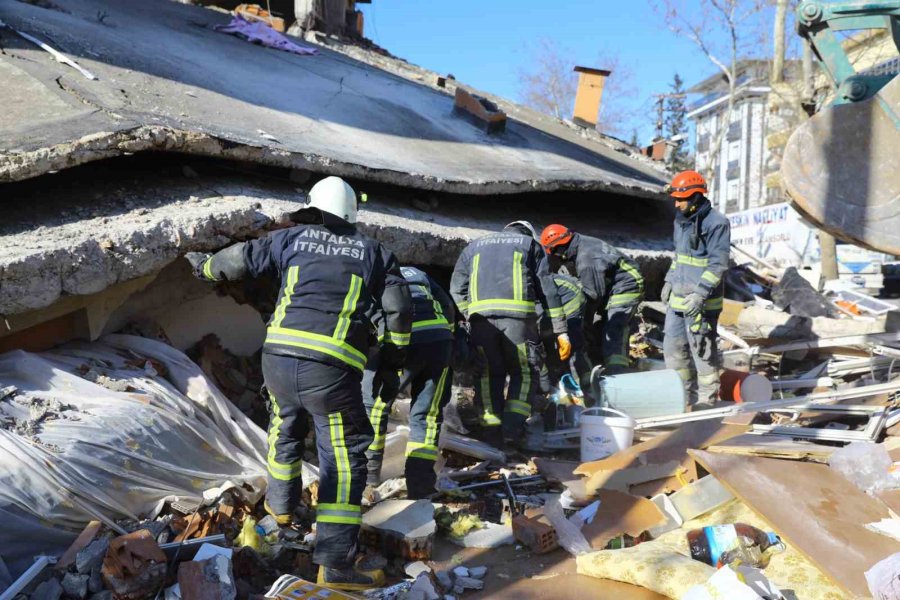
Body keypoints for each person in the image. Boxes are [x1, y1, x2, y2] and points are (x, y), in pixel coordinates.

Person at [185, 176, 412, 591]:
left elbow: (236, 261)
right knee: (342, 461)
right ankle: (335, 564)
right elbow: (397, 311)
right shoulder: (375, 252)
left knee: (284, 433)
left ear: (314, 207)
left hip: (278, 359)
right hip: (331, 369)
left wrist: (202, 266)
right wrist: (392, 363)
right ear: (350, 213)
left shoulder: (292, 239)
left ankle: (283, 512)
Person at [450, 221, 570, 448]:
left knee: (487, 374)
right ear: (528, 233)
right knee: (524, 373)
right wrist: (561, 331)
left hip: (481, 324)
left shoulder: (474, 246)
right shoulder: (530, 245)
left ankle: (490, 433)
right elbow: (548, 290)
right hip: (519, 323)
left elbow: (456, 288)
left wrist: (472, 313)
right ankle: (512, 430)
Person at [363, 266, 457, 499]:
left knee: (375, 405)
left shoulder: (369, 272)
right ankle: (420, 485)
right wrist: (449, 338)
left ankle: (368, 478)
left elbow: (362, 313)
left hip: (401, 339)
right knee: (427, 415)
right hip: (439, 341)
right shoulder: (419, 273)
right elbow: (446, 305)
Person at [660, 170, 730, 408]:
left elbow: (718, 263)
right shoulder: (680, 221)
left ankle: (705, 402)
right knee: (673, 350)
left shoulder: (717, 223)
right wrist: (670, 280)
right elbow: (679, 257)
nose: (676, 204)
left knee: (702, 352)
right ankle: (681, 398)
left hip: (702, 302)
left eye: (681, 199)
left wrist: (700, 294)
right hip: (678, 301)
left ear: (696, 197)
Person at [540, 225, 644, 374]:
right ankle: (601, 360)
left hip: (627, 284)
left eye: (554, 253)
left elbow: (592, 296)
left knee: (614, 326)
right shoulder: (579, 244)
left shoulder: (586, 260)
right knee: (599, 327)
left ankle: (617, 370)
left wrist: (579, 324)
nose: (556, 258)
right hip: (612, 284)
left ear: (560, 248)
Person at [538, 273, 592, 400]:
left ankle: (584, 386)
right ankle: (560, 380)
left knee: (571, 345)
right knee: (549, 345)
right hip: (552, 304)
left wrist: (561, 332)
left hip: (569, 300)